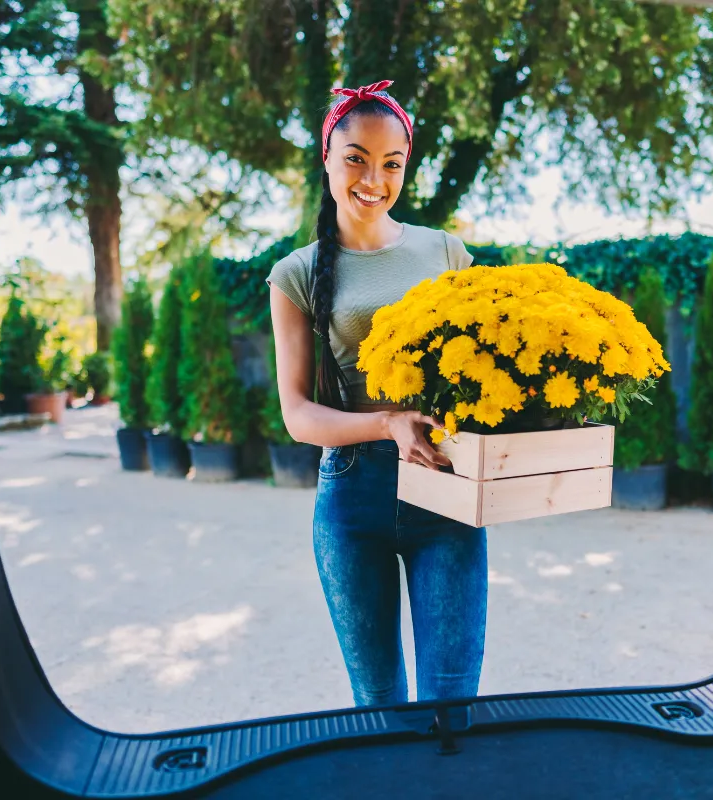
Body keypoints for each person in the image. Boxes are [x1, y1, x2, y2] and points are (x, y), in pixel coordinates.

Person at [266, 80, 487, 708]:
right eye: (356, 158)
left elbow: (484, 368)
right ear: (327, 160)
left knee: (452, 702)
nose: (373, 178)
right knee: (379, 702)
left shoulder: (443, 251)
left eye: (391, 163)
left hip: (444, 489)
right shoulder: (296, 273)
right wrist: (388, 423)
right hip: (352, 498)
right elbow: (298, 415)